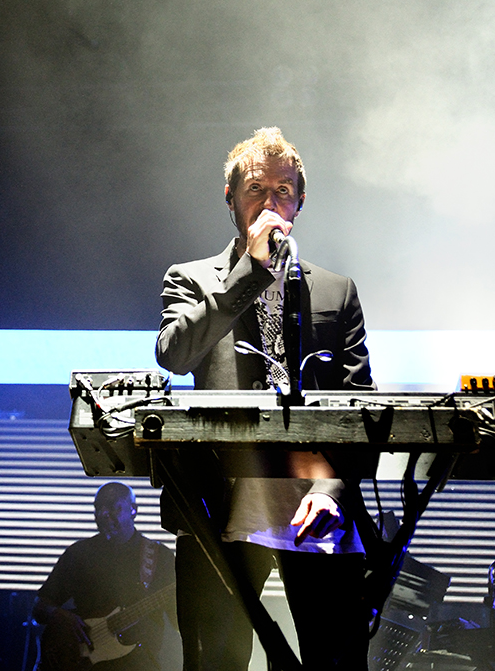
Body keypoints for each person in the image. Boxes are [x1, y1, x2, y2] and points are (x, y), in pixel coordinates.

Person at [155, 127, 375, 671]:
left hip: (315, 506)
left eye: (283, 190)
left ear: (299, 202)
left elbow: (359, 406)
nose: (270, 201)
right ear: (231, 199)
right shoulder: (192, 278)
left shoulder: (336, 290)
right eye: (255, 188)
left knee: (334, 660)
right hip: (221, 505)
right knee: (215, 660)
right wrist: (249, 271)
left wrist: (331, 489)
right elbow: (174, 354)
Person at [33, 482, 178, 671]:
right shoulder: (78, 553)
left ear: (133, 510)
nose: (102, 514)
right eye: (98, 508)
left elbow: (178, 617)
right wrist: (60, 615)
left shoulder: (161, 556)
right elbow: (40, 608)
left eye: (111, 506)